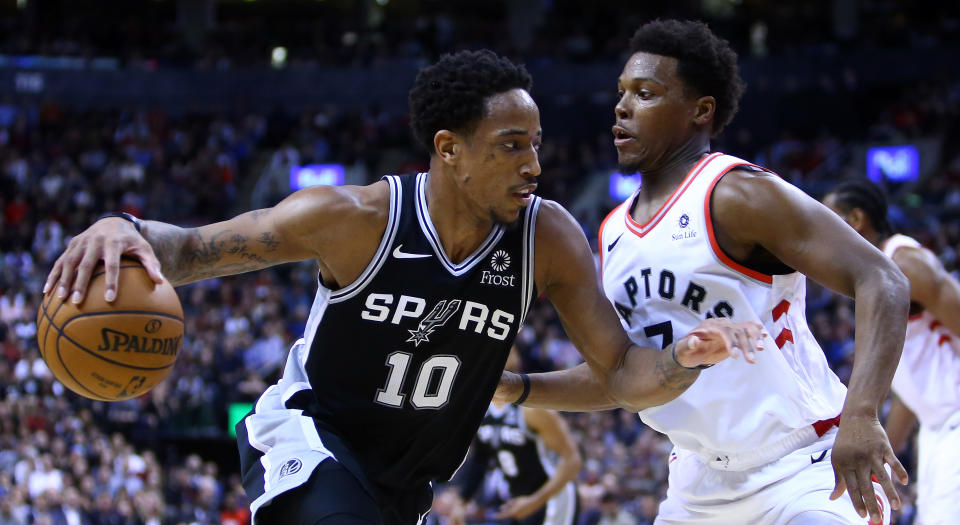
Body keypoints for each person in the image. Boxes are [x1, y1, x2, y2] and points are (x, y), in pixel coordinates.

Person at [44, 49, 762, 525]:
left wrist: (682, 359)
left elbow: (619, 374)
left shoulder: (547, 238)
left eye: (537, 143)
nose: (535, 163)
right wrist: (124, 223)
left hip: (406, 484)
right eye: (512, 145)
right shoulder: (355, 219)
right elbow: (200, 248)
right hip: (311, 436)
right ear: (449, 150)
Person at [495, 20, 910, 525]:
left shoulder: (736, 193)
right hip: (697, 485)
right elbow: (622, 376)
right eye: (621, 93)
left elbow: (882, 279)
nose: (622, 107)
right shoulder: (612, 234)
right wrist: (516, 386)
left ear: (700, 111)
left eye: (645, 94)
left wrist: (863, 414)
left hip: (802, 466)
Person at [823, 179, 960, 525]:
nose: (820, 230)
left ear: (856, 219)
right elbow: (909, 392)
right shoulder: (872, 279)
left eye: (828, 218)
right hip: (936, 429)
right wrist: (882, 460)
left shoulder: (907, 262)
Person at [451, 348, 580, 525]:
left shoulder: (531, 408)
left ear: (517, 360)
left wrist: (534, 502)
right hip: (518, 501)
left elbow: (573, 461)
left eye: (509, 352)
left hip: (553, 499)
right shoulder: (479, 410)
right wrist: (461, 501)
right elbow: (480, 459)